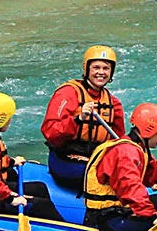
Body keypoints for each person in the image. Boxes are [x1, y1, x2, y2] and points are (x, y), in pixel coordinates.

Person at [82, 103, 157, 231]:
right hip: (109, 220)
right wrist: (152, 217)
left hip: (121, 211)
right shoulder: (125, 153)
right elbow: (131, 187)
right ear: (149, 130)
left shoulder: (136, 148)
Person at [41, 45, 125, 190]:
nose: (101, 72)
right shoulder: (67, 93)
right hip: (65, 160)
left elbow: (119, 141)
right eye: (96, 68)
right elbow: (50, 132)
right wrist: (78, 119)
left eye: (106, 68)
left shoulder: (114, 103)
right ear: (86, 69)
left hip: (94, 160)